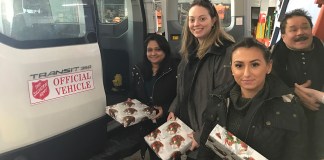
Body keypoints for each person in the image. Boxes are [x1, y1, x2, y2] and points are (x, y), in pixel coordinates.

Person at [202, 37, 308, 160]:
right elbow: (206, 147)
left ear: (268, 66)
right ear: (231, 68)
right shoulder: (218, 98)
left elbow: (296, 154)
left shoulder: (289, 106)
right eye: (239, 65)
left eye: (255, 64)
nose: (246, 73)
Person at [167, 0, 235, 159]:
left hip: (206, 132)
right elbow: (184, 86)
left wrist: (201, 135)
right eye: (192, 19)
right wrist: (174, 108)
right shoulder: (189, 51)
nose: (196, 24)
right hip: (187, 124)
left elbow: (222, 101)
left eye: (202, 19)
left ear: (214, 20)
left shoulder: (225, 53)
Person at [270, 8, 324, 159]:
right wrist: (291, 92)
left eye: (305, 27)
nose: (300, 32)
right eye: (293, 29)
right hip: (288, 123)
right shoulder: (271, 59)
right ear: (283, 35)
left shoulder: (321, 50)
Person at [128, 33, 178, 160]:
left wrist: (166, 109)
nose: (153, 53)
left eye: (158, 49)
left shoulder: (175, 69)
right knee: (154, 155)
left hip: (167, 122)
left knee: (170, 155)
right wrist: (130, 101)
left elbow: (181, 95)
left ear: (165, 50)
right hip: (147, 124)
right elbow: (133, 91)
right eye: (149, 50)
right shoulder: (138, 69)